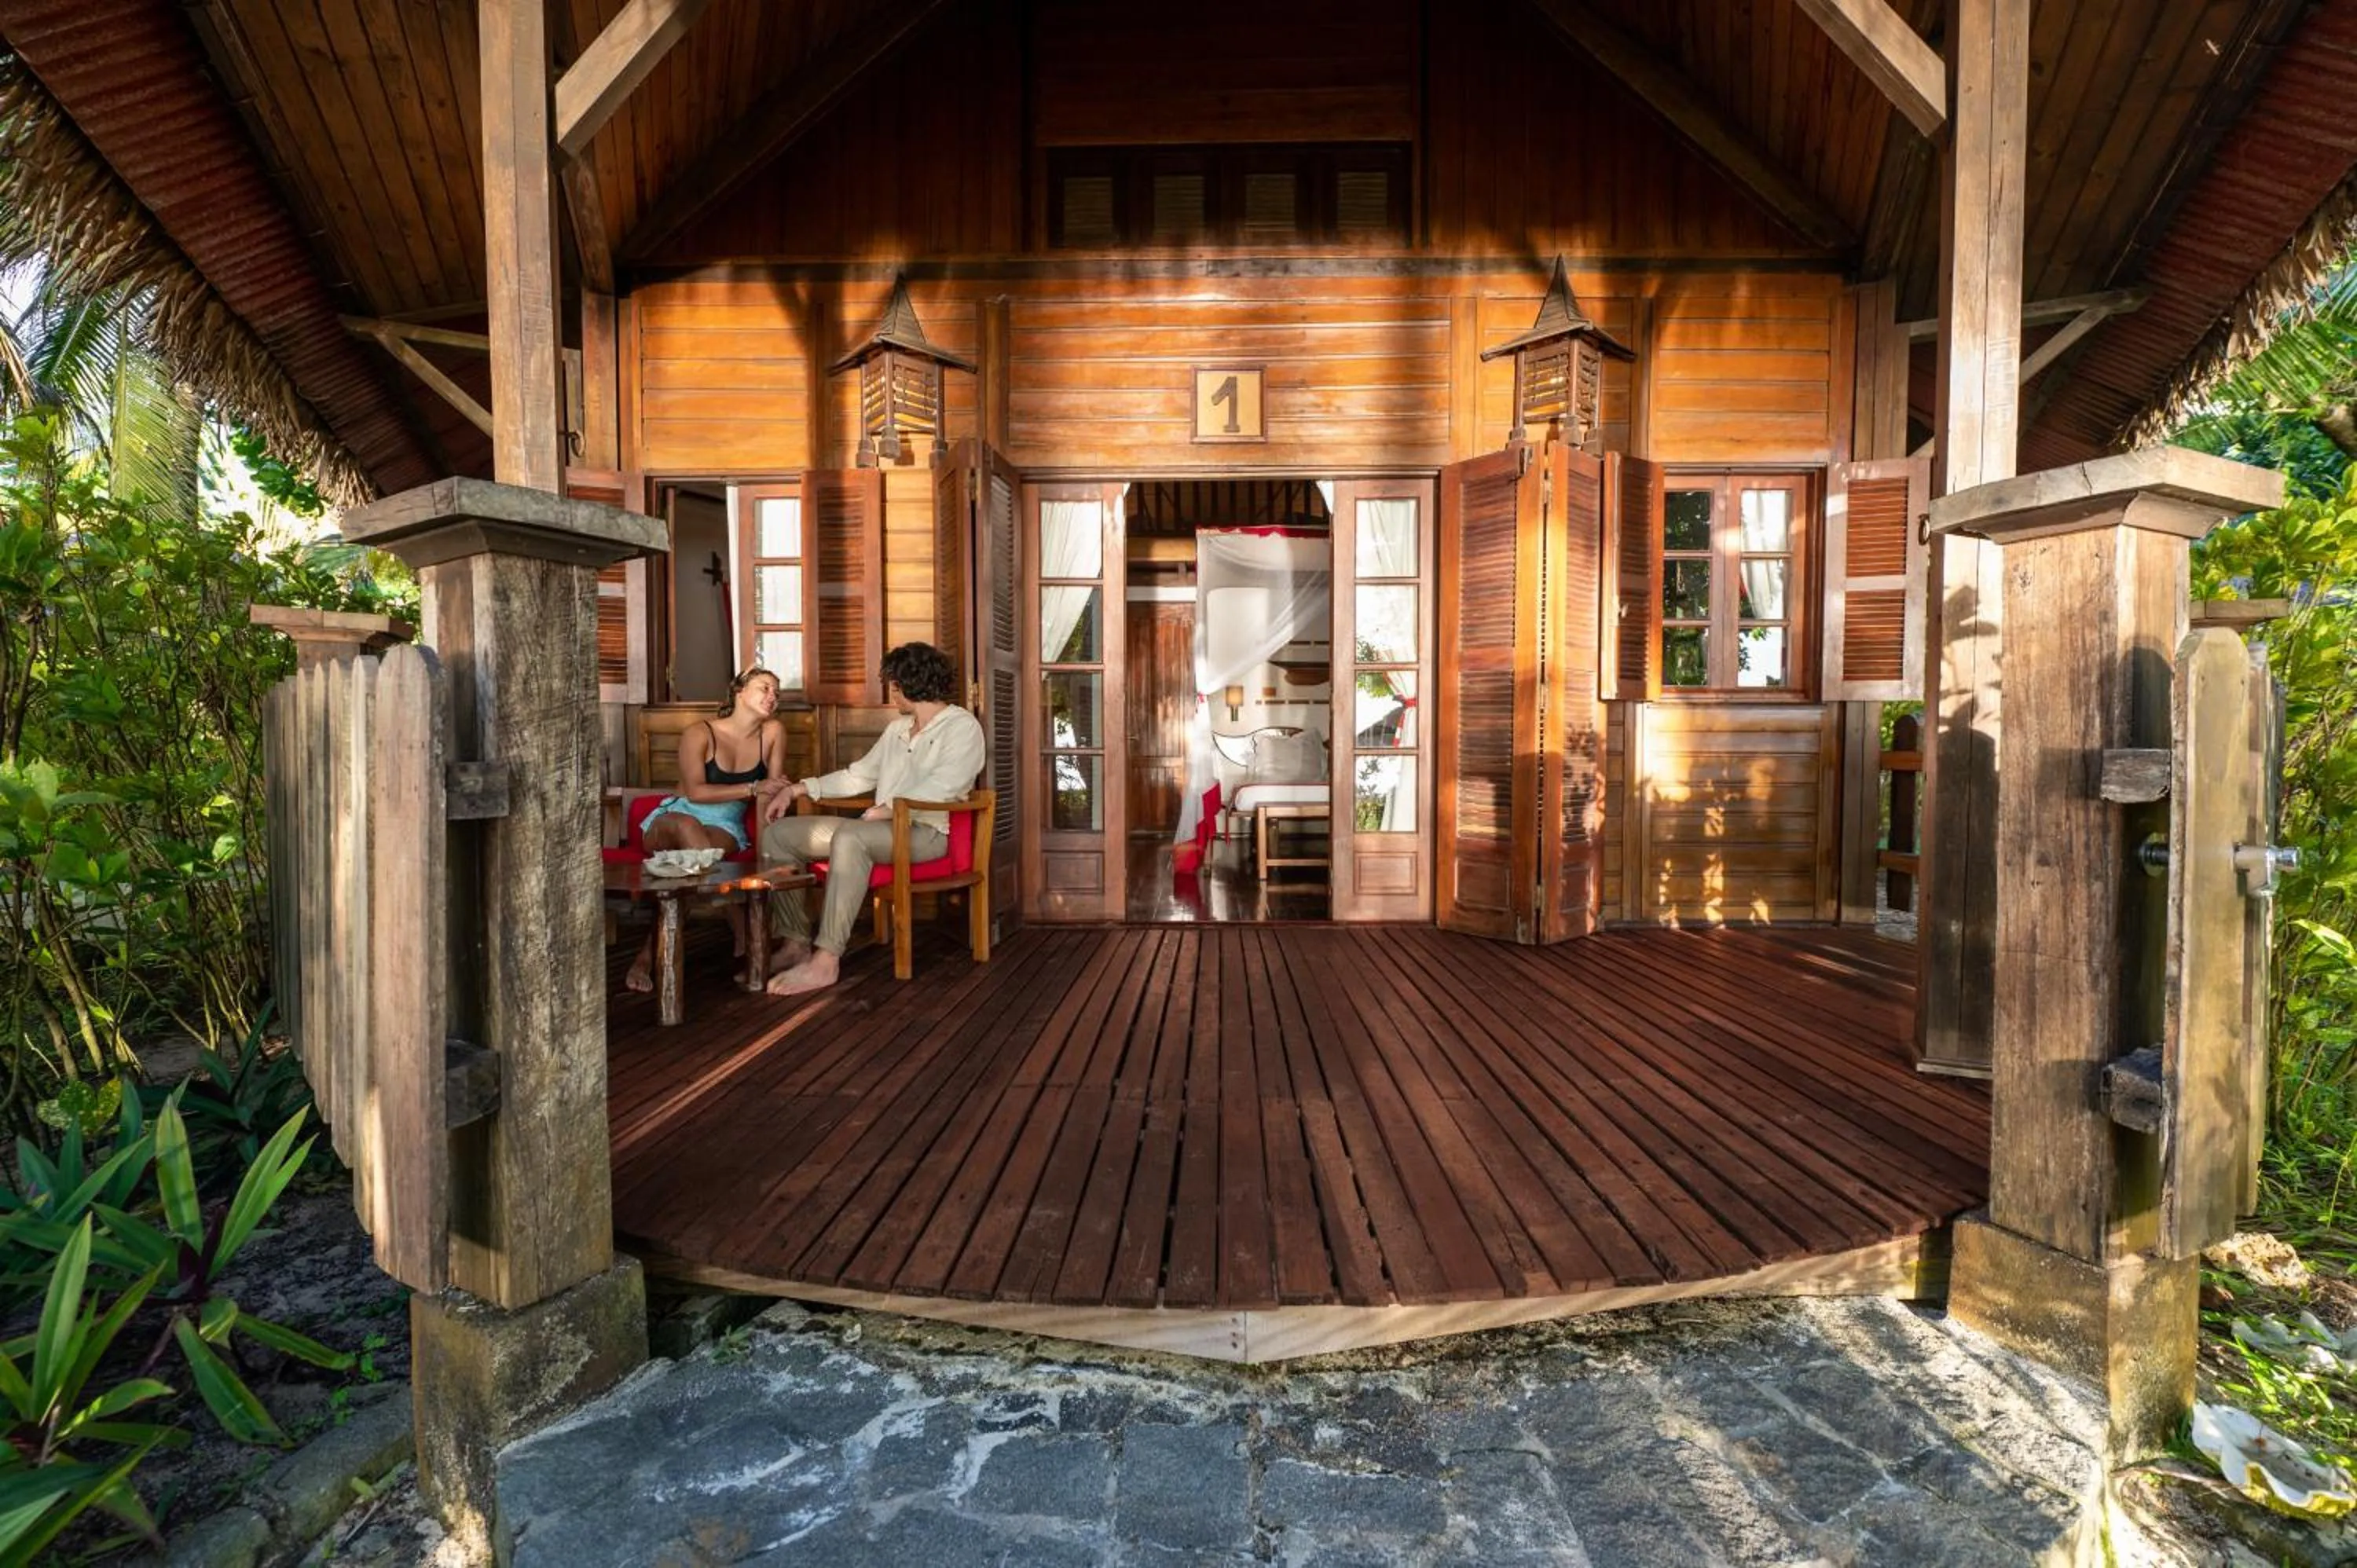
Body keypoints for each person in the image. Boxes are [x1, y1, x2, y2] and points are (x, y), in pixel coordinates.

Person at [757, 642, 984, 996]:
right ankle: (796, 941)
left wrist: (890, 807)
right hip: (878, 827)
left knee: (851, 837)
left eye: (893, 684)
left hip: (924, 833)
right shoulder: (898, 730)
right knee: (780, 835)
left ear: (908, 683)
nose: (891, 692)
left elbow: (945, 786)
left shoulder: (962, 727)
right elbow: (859, 776)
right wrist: (798, 789)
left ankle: (826, 959)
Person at [623, 666, 790, 993]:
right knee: (689, 832)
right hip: (676, 815)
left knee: (695, 862)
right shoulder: (700, 733)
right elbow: (697, 791)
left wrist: (766, 851)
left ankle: (646, 957)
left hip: (725, 824)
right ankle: (742, 928)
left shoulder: (773, 732)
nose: (773, 697)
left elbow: (770, 791)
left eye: (777, 693)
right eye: (764, 688)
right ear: (739, 692)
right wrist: (754, 788)